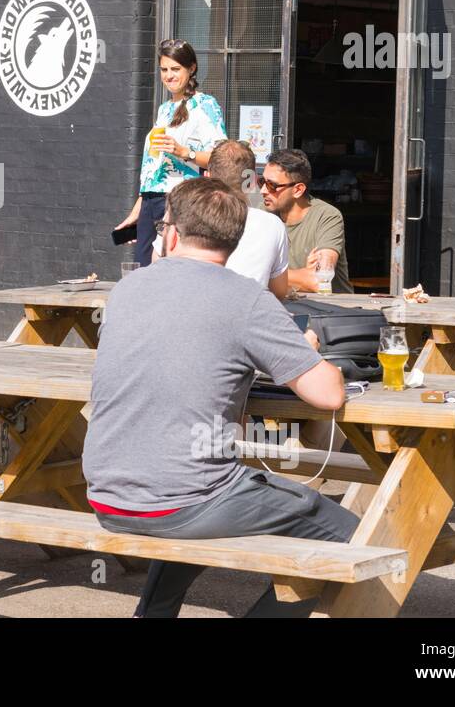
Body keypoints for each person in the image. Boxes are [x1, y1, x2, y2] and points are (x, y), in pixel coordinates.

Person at [85, 178, 352, 618]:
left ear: (171, 233)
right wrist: (302, 348)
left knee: (190, 498)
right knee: (350, 537)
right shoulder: (246, 298)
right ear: (234, 240)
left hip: (107, 495)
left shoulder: (127, 289)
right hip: (184, 500)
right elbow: (327, 395)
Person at [114, 40, 227, 267]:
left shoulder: (204, 104)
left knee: (171, 267)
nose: (169, 76)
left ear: (191, 68)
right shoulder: (165, 109)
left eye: (175, 69)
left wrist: (185, 152)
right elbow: (154, 167)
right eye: (164, 69)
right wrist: (138, 209)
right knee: (142, 269)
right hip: (151, 201)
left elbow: (220, 157)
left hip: (180, 199)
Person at [201, 140, 289, 299]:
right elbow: (279, 292)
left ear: (207, 177)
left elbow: (158, 264)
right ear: (251, 181)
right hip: (249, 317)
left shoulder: (181, 214)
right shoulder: (272, 225)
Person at [259, 149, 353, 294]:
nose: (263, 190)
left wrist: (263, 273)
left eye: (272, 185)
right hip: (286, 306)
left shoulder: (327, 216)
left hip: (331, 309)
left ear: (298, 190)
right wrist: (301, 275)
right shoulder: (262, 214)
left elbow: (320, 282)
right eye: (262, 182)